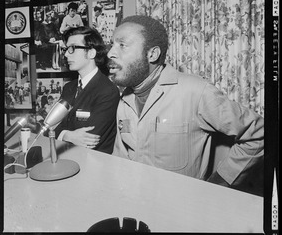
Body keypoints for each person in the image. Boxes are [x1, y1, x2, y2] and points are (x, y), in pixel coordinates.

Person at [106, 15, 264, 192]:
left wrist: (221, 182)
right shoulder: (125, 98)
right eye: (112, 44)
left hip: (183, 211)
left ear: (152, 54)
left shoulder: (196, 91)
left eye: (122, 45)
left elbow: (259, 134)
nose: (110, 53)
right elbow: (121, 160)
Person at [53, 26, 120, 154]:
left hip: (94, 165)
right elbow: (47, 128)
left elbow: (89, 139)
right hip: (67, 157)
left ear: (91, 53)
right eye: (66, 49)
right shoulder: (69, 88)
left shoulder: (108, 91)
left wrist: (60, 131)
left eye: (72, 48)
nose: (66, 54)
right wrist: (68, 135)